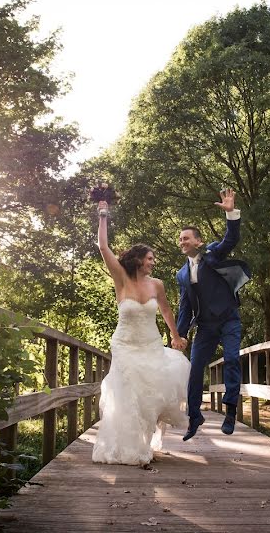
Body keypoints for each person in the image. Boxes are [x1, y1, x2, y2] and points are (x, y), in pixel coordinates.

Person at [91, 200, 191, 466]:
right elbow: (103, 247)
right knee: (128, 397)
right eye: (149, 259)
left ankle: (143, 444)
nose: (152, 263)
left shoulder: (156, 285)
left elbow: (168, 311)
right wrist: (103, 214)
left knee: (148, 397)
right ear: (137, 259)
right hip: (125, 347)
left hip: (151, 346)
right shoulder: (121, 279)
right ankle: (129, 448)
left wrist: (175, 335)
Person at [177, 188, 250, 440]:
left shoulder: (211, 254)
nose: (182, 242)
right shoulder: (182, 274)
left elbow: (230, 240)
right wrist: (180, 335)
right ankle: (194, 417)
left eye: (186, 238)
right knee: (195, 369)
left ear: (198, 241)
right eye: (180, 239)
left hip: (228, 319)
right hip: (205, 326)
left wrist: (231, 214)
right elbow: (185, 307)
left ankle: (230, 411)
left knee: (231, 359)